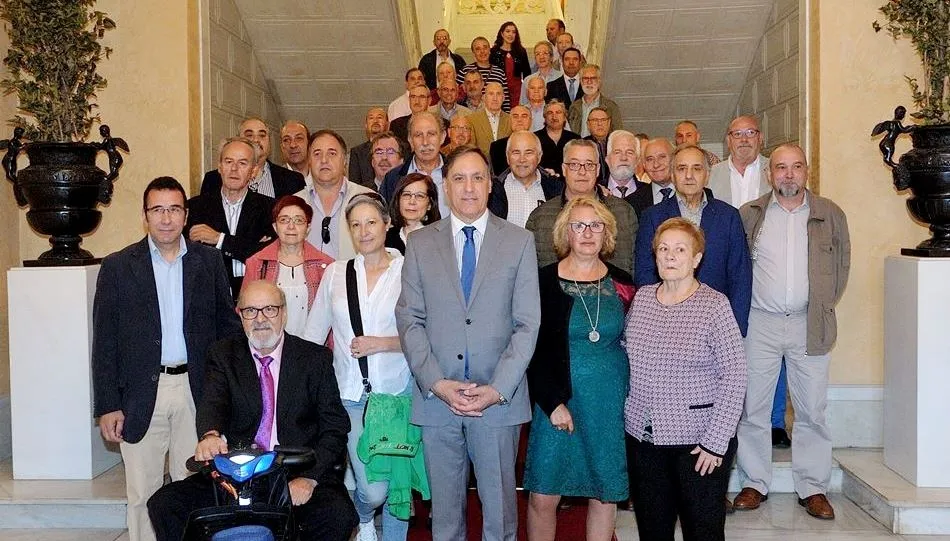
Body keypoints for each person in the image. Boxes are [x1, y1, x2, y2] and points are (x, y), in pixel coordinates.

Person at [395, 146, 541, 541]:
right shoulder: (421, 243)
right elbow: (410, 319)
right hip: (438, 401)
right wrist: (437, 383)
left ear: (490, 185)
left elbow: (527, 324)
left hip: (497, 402)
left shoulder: (519, 241)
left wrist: (497, 389)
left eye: (478, 178)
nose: (469, 187)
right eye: (459, 178)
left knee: (500, 518)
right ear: (445, 186)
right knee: (445, 521)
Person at [146, 280, 357, 541]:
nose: (260, 319)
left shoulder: (314, 359)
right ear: (240, 316)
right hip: (236, 473)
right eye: (250, 311)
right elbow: (214, 402)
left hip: (295, 470)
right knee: (165, 503)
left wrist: (310, 479)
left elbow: (335, 428)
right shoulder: (223, 355)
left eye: (269, 309)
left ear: (284, 313)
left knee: (337, 514)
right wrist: (210, 434)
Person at [92, 176, 241, 541]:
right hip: (141, 394)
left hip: (196, 390)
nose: (166, 218)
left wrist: (230, 391)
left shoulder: (209, 262)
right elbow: (105, 341)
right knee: (142, 493)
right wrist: (108, 405)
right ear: (145, 216)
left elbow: (227, 328)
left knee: (193, 489)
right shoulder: (118, 267)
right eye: (157, 209)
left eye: (174, 209)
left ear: (186, 215)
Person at [732, 144, 851, 520]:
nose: (788, 174)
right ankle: (754, 483)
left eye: (796, 167)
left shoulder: (829, 214)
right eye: (781, 167)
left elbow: (842, 266)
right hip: (759, 323)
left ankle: (813, 487)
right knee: (753, 407)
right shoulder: (750, 214)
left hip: (808, 323)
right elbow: (737, 266)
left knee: (812, 409)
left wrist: (821, 305)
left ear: (806, 171)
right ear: (770, 174)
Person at [624, 217, 747, 541]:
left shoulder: (714, 305)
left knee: (702, 532)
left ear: (696, 259)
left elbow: (735, 376)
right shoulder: (643, 298)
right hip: (643, 441)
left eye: (680, 249)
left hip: (698, 446)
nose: (670, 256)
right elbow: (626, 355)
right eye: (663, 249)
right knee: (652, 530)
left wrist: (715, 442)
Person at [303, 193, 414, 541]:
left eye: (371, 222)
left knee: (398, 488)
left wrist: (383, 343)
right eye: (356, 225)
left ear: (387, 224)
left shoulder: (408, 270)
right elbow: (313, 338)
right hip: (350, 396)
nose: (364, 231)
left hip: (397, 394)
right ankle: (363, 516)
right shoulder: (336, 274)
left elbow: (427, 335)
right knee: (374, 489)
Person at [525, 196, 635, 541]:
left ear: (607, 233)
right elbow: (530, 349)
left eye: (595, 225)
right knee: (544, 493)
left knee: (604, 492)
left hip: (608, 402)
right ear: (565, 233)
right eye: (579, 225)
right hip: (557, 400)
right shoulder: (541, 282)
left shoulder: (624, 283)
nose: (587, 233)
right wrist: (551, 402)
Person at [634, 144, 752, 336]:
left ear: (707, 175)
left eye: (696, 169)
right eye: (682, 169)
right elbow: (645, 274)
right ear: (672, 175)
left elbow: (740, 276)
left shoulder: (728, 216)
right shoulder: (653, 217)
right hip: (666, 324)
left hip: (717, 324)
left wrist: (735, 329)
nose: (689, 175)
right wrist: (654, 320)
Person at [526, 138, 636, 274]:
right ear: (564, 169)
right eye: (574, 164)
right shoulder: (539, 217)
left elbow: (634, 268)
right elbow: (530, 274)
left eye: (589, 165)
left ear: (598, 170)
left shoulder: (624, 212)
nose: (582, 172)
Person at [187, 137, 276, 298]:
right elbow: (191, 257)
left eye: (242, 163)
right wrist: (249, 246)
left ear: (253, 171)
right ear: (219, 167)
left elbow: (268, 255)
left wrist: (219, 239)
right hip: (209, 297)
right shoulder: (195, 208)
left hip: (256, 297)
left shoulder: (271, 209)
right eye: (228, 162)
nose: (234, 169)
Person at [242, 194, 334, 337]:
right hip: (268, 345)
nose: (291, 227)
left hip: (313, 346)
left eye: (298, 220)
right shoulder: (257, 263)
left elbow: (333, 317)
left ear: (308, 227)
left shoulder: (326, 265)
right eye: (284, 220)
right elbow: (244, 308)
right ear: (275, 227)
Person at [296, 129, 375, 260]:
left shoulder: (368, 199)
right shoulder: (295, 203)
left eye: (332, 153)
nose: (324, 160)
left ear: (344, 161)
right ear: (309, 161)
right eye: (317, 154)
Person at [200, 117, 306, 199]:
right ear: (238, 140)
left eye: (262, 135)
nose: (256, 140)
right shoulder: (213, 179)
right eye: (249, 135)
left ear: (269, 141)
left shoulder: (293, 180)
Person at [492, 130, 564, 228]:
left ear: (539, 156)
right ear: (507, 157)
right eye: (516, 152)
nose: (522, 159)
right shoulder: (493, 191)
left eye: (528, 153)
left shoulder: (556, 189)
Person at [708, 115, 770, 208]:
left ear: (760, 138)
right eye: (737, 134)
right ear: (728, 141)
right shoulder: (711, 174)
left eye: (750, 133)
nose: (744, 139)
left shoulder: (775, 170)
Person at [386, 172, 441, 254]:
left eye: (419, 196)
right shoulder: (385, 237)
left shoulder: (440, 238)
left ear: (429, 204)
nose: (412, 201)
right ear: (398, 200)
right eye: (406, 195)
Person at [456, 37, 511, 111]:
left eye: (485, 48)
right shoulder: (465, 71)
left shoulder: (499, 72)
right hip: (469, 113)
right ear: (473, 53)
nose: (482, 51)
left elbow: (506, 100)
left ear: (489, 50)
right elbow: (457, 96)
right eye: (478, 49)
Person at [567, 65, 622, 136]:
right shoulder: (574, 107)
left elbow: (618, 134)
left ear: (599, 81)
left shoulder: (611, 107)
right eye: (585, 78)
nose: (589, 82)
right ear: (581, 81)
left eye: (593, 78)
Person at [490, 22, 531, 112]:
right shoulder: (493, 51)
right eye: (508, 31)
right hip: (500, 89)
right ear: (502, 33)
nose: (510, 34)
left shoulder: (521, 51)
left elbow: (527, 73)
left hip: (517, 90)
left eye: (513, 32)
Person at [536, 99, 579, 175]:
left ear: (564, 117)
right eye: (550, 113)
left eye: (558, 112)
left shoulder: (575, 139)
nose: (554, 116)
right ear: (545, 117)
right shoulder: (535, 138)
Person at [469, 82, 512, 156]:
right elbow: (471, 149)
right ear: (484, 98)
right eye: (491, 94)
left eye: (498, 94)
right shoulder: (471, 120)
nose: (495, 98)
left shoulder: (511, 120)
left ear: (503, 98)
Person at [350, 108, 391, 188]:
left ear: (388, 124)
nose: (375, 121)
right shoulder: (357, 152)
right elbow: (354, 186)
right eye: (371, 118)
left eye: (379, 117)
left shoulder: (400, 149)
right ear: (366, 125)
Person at [521, 41, 562, 106]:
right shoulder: (528, 80)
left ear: (551, 57)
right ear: (535, 59)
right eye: (538, 54)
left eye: (545, 53)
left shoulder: (561, 77)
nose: (541, 57)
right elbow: (523, 105)